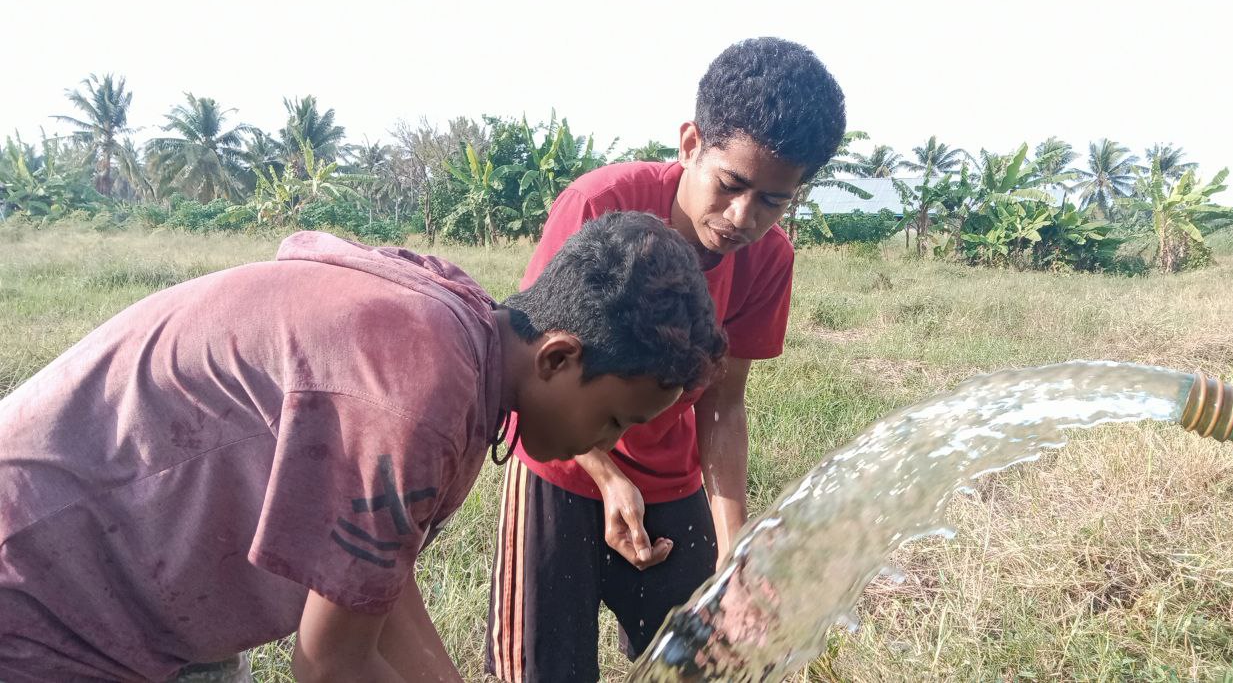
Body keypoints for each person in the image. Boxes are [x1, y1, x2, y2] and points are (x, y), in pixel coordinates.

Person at [0, 211, 725, 683]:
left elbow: (372, 577)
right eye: (613, 421)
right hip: (43, 587)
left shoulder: (460, 330)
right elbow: (329, 665)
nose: (610, 445)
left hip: (141, 582)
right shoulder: (422, 394)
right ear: (558, 358)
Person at [486, 36, 847, 681]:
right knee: (543, 669)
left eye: (773, 200)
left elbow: (723, 402)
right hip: (560, 465)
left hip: (670, 483)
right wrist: (604, 473)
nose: (743, 217)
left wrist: (734, 549)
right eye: (731, 184)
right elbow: (534, 368)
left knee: (704, 662)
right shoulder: (601, 205)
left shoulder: (769, 262)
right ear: (690, 145)